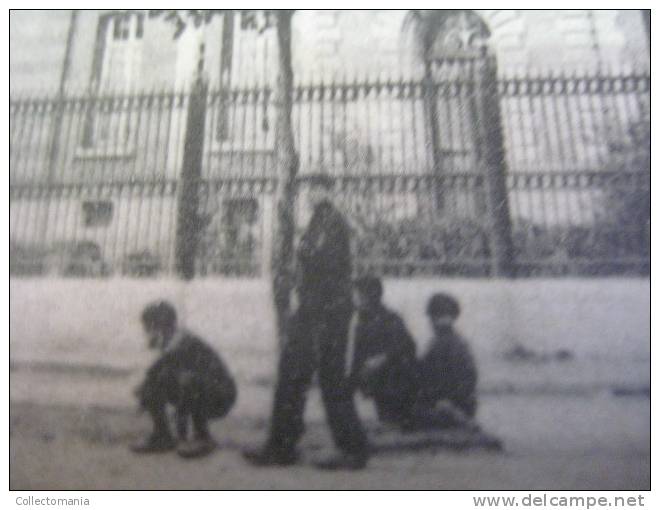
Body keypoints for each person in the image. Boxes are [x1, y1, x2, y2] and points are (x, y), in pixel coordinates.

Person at [244, 174, 369, 470]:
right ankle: (282, 445)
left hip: (327, 312)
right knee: (293, 375)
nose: (309, 193)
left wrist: (296, 257)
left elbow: (318, 259)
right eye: (307, 188)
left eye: (315, 188)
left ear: (327, 190)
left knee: (329, 378)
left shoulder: (330, 220)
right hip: (314, 309)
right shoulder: (319, 220)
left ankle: (350, 449)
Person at [131, 301, 237, 458]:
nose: (147, 332)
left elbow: (186, 384)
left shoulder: (185, 342)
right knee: (153, 382)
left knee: (189, 381)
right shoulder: (172, 341)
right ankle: (163, 436)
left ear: (162, 326)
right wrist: (145, 392)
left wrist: (182, 434)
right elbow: (155, 373)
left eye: (149, 327)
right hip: (200, 392)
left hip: (221, 397)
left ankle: (202, 437)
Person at [347, 276, 418, 428]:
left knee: (394, 419)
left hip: (396, 381)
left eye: (358, 296)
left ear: (370, 296)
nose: (354, 301)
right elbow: (358, 358)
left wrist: (382, 358)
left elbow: (409, 346)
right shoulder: (362, 321)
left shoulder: (390, 318)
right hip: (381, 381)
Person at [413, 293, 478, 427]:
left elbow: (466, 379)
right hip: (450, 401)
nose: (432, 321)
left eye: (435, 317)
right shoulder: (448, 341)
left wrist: (446, 401)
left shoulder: (449, 343)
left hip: (451, 403)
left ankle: (453, 415)